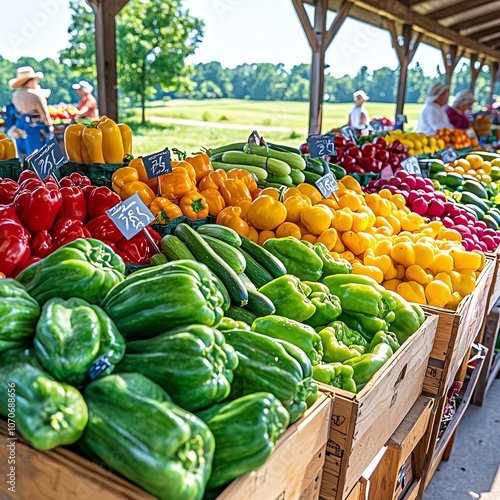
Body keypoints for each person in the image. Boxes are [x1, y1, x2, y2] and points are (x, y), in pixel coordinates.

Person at [9, 66, 53, 157]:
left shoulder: (15, 95)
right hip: (36, 128)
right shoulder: (36, 95)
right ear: (31, 80)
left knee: (24, 156)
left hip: (20, 126)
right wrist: (50, 126)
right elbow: (44, 115)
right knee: (39, 155)